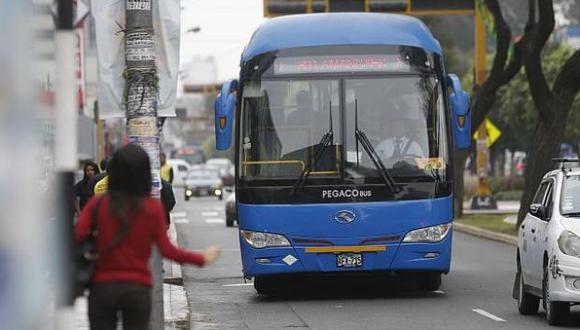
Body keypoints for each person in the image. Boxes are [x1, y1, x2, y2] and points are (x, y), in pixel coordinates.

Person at [76, 144, 221, 330]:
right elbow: (167, 249)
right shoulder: (151, 209)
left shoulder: (97, 205)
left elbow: (77, 235)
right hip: (137, 288)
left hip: (103, 287)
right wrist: (201, 258)